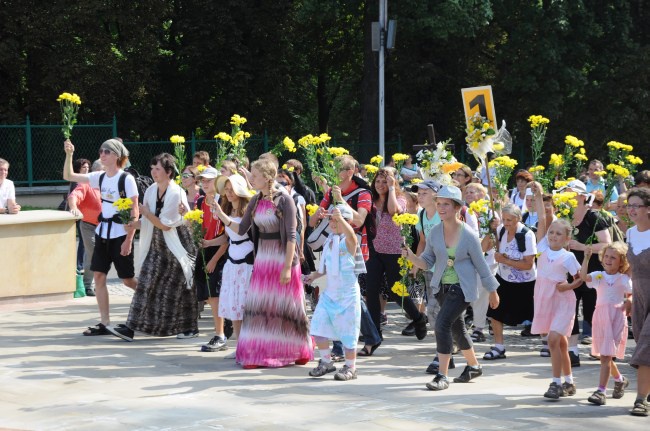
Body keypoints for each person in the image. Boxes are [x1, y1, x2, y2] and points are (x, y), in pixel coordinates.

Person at [213, 158, 312, 368]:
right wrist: (222, 215)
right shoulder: (255, 200)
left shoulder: (285, 200)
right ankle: (258, 351)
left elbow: (292, 235)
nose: (251, 179)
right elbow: (241, 229)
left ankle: (294, 348)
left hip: (283, 258)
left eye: (254, 176)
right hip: (262, 260)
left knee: (285, 308)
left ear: (267, 177)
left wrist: (287, 267)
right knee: (260, 308)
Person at [402, 185, 499, 391]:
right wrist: (411, 257)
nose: (441, 208)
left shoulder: (469, 235)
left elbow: (481, 265)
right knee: (457, 328)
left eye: (446, 204)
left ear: (457, 208)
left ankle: (442, 375)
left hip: (462, 288)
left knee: (441, 324)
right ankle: (474, 366)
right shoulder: (435, 232)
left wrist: (492, 290)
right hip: (441, 287)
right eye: (438, 204)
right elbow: (427, 262)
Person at [107, 153, 198, 341]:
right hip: (157, 245)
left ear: (169, 172)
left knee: (177, 290)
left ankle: (190, 327)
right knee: (146, 284)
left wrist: (146, 213)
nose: (153, 172)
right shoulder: (151, 190)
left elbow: (165, 224)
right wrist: (134, 224)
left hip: (176, 246)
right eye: (152, 168)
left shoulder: (176, 193)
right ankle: (131, 328)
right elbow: (147, 220)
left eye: (158, 169)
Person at [63, 138, 139, 336]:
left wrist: (129, 239)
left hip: (120, 235)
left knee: (128, 280)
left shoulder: (126, 179)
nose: (102, 154)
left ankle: (151, 300)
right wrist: (69, 154)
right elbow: (68, 175)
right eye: (101, 150)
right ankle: (105, 323)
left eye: (106, 151)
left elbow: (134, 210)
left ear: (116, 155)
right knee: (98, 276)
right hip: (102, 234)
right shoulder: (100, 176)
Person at [364, 167, 429, 348]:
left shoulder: (399, 198)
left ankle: (418, 318)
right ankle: (375, 333)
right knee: (372, 290)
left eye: (385, 182)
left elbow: (393, 212)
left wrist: (391, 189)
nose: (380, 185)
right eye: (378, 181)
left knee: (395, 290)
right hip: (374, 249)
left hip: (393, 251)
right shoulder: (370, 198)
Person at [306, 205, 365, 381]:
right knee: (318, 328)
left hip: (347, 296)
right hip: (329, 295)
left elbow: (352, 236)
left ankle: (350, 367)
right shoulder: (329, 240)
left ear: (347, 222)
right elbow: (324, 267)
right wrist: (313, 276)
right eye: (331, 220)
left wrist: (341, 218)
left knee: (348, 334)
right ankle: (326, 362)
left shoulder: (349, 241)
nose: (332, 222)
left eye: (337, 220)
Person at [530, 219, 583, 399]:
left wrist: (567, 287)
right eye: (551, 232)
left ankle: (556, 383)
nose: (553, 236)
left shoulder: (568, 257)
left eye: (559, 234)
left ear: (567, 239)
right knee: (560, 343)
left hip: (563, 301)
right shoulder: (542, 249)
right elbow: (542, 219)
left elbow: (579, 278)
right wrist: (537, 195)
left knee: (553, 340)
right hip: (545, 299)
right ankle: (569, 381)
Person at [563, 179, 612, 365]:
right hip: (572, 272)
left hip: (593, 272)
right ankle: (573, 351)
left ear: (582, 197)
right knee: (570, 310)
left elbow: (606, 245)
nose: (567, 197)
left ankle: (602, 348)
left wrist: (583, 246)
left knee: (593, 312)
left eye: (571, 193)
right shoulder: (565, 216)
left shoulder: (594, 217)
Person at [579, 242, 633, 406]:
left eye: (613, 257)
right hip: (601, 317)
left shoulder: (623, 278)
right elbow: (583, 277)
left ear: (621, 262)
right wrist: (586, 258)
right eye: (607, 256)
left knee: (606, 355)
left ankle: (601, 391)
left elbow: (631, 294)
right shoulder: (598, 275)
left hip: (616, 317)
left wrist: (629, 301)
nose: (609, 260)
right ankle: (620, 379)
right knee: (604, 355)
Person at [484, 203, 537, 360]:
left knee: (536, 313)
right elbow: (483, 247)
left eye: (510, 220)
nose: (506, 223)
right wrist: (491, 230)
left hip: (526, 282)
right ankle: (499, 347)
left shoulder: (527, 235)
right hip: (504, 279)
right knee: (495, 311)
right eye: (504, 219)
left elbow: (528, 264)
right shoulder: (500, 230)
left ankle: (548, 342)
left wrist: (505, 261)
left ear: (518, 219)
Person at [215, 174, 254, 359]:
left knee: (246, 307)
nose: (229, 193)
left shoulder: (248, 211)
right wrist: (208, 243)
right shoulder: (228, 210)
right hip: (232, 261)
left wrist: (221, 215)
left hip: (247, 263)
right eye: (227, 190)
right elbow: (228, 236)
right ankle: (240, 346)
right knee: (235, 306)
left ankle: (250, 346)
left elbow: (240, 230)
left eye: (232, 189)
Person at [192, 167, 230, 349]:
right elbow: (200, 226)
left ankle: (220, 334)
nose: (204, 183)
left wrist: (215, 258)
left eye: (208, 180)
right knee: (207, 293)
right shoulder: (200, 201)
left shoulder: (223, 201)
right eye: (202, 180)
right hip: (205, 249)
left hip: (219, 250)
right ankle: (223, 326)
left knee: (215, 294)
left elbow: (228, 236)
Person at [624, 187, 650, 416]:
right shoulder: (630, 233)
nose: (631, 209)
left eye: (636, 206)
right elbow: (631, 269)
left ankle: (641, 399)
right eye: (629, 205)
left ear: (648, 209)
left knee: (646, 347)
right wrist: (630, 296)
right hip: (640, 297)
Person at [68, 159, 103, 296]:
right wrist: (74, 208)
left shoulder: (109, 184)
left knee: (99, 255)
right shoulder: (86, 183)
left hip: (105, 226)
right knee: (94, 253)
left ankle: (89, 283)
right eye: (103, 171)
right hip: (88, 225)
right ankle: (88, 285)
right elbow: (73, 196)